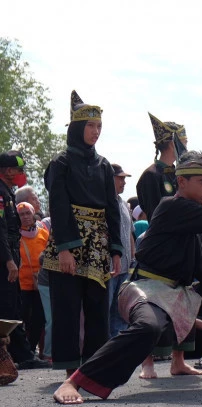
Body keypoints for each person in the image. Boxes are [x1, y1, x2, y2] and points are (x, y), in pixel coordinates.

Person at [52, 151, 202, 404]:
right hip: (147, 290)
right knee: (147, 328)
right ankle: (75, 380)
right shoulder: (172, 207)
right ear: (181, 182)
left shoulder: (196, 225)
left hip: (178, 292)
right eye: (201, 182)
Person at [41, 91, 124, 375]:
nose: (96, 132)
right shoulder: (60, 163)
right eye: (90, 126)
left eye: (99, 126)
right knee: (66, 307)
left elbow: (112, 207)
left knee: (98, 309)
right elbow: (59, 205)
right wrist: (65, 247)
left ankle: (93, 368)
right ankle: (68, 369)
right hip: (69, 240)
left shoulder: (103, 165)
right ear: (77, 127)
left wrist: (116, 249)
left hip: (99, 243)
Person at [0, 151, 48, 370]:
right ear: (8, 170)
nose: (21, 174)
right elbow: (0, 230)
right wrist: (9, 260)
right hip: (4, 261)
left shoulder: (7, 192)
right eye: (19, 169)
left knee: (13, 308)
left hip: (9, 258)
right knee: (10, 309)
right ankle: (23, 355)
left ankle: (21, 354)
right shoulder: (1, 194)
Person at [136, 112, 187, 221]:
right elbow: (155, 214)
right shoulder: (151, 175)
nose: (186, 148)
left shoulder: (179, 173)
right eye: (184, 143)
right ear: (173, 144)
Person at [18, 201, 49, 359]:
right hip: (21, 284)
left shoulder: (43, 233)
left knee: (39, 319)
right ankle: (23, 352)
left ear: (33, 214)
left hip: (41, 284)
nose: (25, 217)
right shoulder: (15, 235)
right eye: (21, 215)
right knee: (21, 318)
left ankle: (30, 350)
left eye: (27, 213)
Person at [107, 164, 134, 338]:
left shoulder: (124, 204)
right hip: (108, 266)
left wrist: (133, 258)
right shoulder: (102, 203)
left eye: (124, 178)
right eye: (120, 178)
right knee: (106, 308)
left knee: (121, 310)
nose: (123, 182)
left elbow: (130, 233)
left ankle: (117, 345)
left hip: (125, 266)